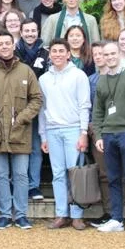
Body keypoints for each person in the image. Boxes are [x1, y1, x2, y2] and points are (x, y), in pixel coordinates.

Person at [0, 32, 43, 230]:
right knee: (0, 175)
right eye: (0, 44)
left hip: (20, 132)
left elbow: (36, 99)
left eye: (7, 43)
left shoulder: (26, 71)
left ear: (13, 45)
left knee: (20, 175)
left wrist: (22, 118)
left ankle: (20, 215)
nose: (4, 47)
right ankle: (3, 214)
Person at [92, 41, 125, 234]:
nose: (110, 57)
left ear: (119, 54)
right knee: (113, 178)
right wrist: (98, 134)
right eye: (106, 55)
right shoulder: (102, 80)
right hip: (108, 134)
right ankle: (116, 218)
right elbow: (97, 111)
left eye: (113, 53)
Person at [39, 39, 91, 230]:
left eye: (61, 51)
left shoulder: (79, 76)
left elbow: (84, 105)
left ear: (69, 54)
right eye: (54, 51)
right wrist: (43, 136)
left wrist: (83, 133)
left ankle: (77, 215)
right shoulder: (44, 79)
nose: (58, 54)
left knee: (74, 173)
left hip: (73, 129)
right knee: (58, 174)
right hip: (52, 130)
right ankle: (62, 213)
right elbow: (42, 109)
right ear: (49, 54)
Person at [16, 18, 49, 201]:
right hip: (18, 107)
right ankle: (19, 183)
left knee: (36, 147)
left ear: (38, 32)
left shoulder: (46, 53)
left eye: (33, 31)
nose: (30, 34)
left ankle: (33, 186)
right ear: (21, 32)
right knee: (19, 147)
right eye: (26, 31)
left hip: (38, 106)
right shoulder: (13, 53)